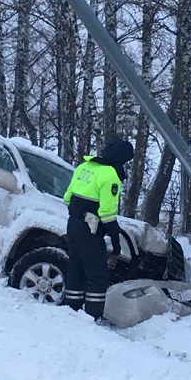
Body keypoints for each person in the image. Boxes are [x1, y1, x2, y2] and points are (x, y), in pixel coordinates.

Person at [62, 136, 134, 320]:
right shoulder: (110, 175)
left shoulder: (83, 167)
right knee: (97, 274)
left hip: (73, 224)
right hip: (90, 229)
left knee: (76, 269)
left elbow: (67, 198)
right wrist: (116, 239)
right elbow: (107, 213)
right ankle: (92, 317)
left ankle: (71, 311)